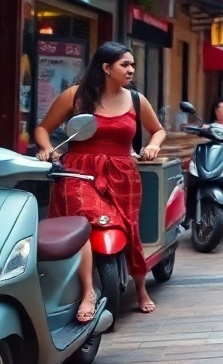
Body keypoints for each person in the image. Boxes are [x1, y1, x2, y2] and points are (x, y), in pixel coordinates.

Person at [34, 42, 165, 317]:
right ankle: (88, 292)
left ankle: (140, 287)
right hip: (79, 171)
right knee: (83, 221)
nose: (131, 69)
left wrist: (153, 145)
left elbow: (158, 130)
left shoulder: (136, 100)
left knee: (129, 227)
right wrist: (47, 149)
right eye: (125, 64)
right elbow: (43, 129)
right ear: (106, 67)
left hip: (122, 173)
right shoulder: (75, 96)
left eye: (132, 64)